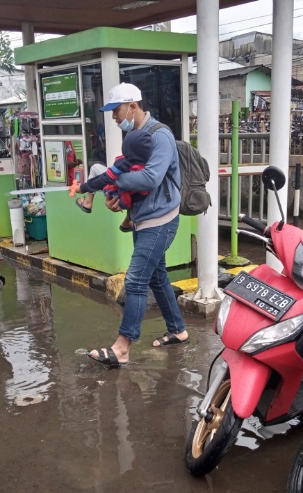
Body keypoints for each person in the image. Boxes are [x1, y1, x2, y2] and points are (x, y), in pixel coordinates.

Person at [86, 83, 189, 367]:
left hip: (161, 221)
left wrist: (112, 182)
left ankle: (122, 347)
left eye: (117, 110)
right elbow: (137, 185)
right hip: (145, 219)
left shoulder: (160, 136)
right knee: (156, 277)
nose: (115, 118)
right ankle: (178, 330)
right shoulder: (136, 135)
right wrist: (119, 200)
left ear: (132, 105)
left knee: (136, 280)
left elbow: (151, 179)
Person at [70, 129, 154, 233]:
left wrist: (83, 187)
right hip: (136, 200)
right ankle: (127, 221)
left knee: (95, 168)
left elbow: (105, 178)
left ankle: (88, 202)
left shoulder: (124, 163)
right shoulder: (148, 166)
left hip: (117, 197)